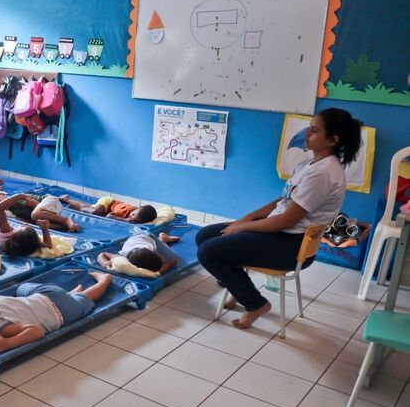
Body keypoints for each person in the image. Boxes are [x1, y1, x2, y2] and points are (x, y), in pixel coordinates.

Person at [196, 108, 363, 330]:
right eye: (309, 128)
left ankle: (255, 304)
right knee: (204, 235)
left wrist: (244, 227)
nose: (307, 134)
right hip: (280, 234)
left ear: (333, 140)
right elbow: (282, 200)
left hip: (289, 245)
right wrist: (248, 217)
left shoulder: (323, 173)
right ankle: (239, 289)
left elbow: (287, 220)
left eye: (314, 130)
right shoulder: (310, 164)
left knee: (208, 251)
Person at [0, 271, 113, 352]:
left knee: (88, 298)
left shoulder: (3, 327)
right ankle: (74, 293)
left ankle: (103, 281)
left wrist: (8, 343)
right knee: (22, 289)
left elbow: (37, 331)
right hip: (47, 294)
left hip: (63, 312)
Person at [97, 232, 180, 274]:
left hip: (148, 237)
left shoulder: (151, 250)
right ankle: (162, 239)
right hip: (135, 239)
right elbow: (102, 255)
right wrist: (104, 263)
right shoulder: (123, 256)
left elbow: (166, 263)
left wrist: (158, 273)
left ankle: (163, 239)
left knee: (173, 260)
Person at [6, 193, 80, 232]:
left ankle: (65, 220)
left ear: (3, 195)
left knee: (35, 215)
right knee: (39, 223)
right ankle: (67, 226)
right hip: (46, 212)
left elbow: (37, 204)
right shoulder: (11, 212)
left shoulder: (15, 199)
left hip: (49, 201)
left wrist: (37, 215)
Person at [61, 194, 157, 224]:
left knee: (90, 207)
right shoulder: (125, 210)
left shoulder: (140, 214)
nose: (131, 217)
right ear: (138, 208)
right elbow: (109, 215)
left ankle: (75, 205)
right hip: (108, 202)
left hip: (108, 208)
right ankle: (68, 200)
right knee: (95, 211)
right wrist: (124, 219)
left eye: (135, 219)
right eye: (133, 214)